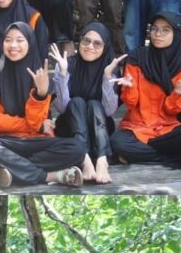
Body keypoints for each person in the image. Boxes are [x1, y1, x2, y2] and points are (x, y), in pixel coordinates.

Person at [0, 22, 85, 188]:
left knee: (77, 148)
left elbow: (36, 123)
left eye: (20, 40)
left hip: (38, 143)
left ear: (30, 43)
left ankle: (12, 168)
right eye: (8, 40)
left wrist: (40, 96)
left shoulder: (40, 75)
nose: (13, 45)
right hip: (8, 142)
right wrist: (36, 127)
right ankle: (48, 175)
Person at [110, 12, 181, 164]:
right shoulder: (136, 59)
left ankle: (140, 154)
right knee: (117, 142)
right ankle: (176, 157)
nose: (158, 34)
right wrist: (130, 88)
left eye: (166, 30)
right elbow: (131, 104)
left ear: (176, 34)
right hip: (138, 127)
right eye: (154, 29)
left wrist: (176, 94)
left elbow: (173, 111)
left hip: (167, 128)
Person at [50, 23, 125, 184]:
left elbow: (109, 111)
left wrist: (106, 77)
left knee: (94, 104)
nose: (90, 46)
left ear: (105, 46)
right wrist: (63, 74)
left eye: (97, 43)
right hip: (71, 130)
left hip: (99, 131)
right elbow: (63, 108)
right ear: (80, 42)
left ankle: (102, 161)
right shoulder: (66, 64)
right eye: (86, 41)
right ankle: (85, 160)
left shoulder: (110, 69)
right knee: (77, 102)